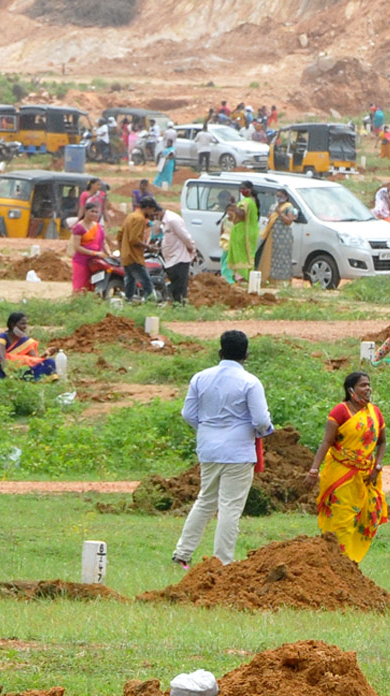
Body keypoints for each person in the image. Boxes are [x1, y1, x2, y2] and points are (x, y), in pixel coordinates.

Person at [172, 331, 273, 567]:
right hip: (238, 451)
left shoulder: (200, 378)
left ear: (220, 351)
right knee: (230, 507)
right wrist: (261, 430)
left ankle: (182, 553)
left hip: (208, 448)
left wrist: (208, 428)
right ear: (246, 355)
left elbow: (188, 414)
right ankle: (223, 562)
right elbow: (260, 420)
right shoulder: (250, 382)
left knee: (205, 500)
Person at [306, 372, 388, 563]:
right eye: (362, 385)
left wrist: (378, 466)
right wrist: (313, 470)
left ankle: (351, 563)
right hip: (340, 474)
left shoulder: (374, 413)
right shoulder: (340, 412)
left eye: (369, 385)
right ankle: (339, 562)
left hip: (366, 476)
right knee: (342, 520)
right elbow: (326, 442)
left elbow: (382, 442)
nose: (367, 389)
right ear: (351, 389)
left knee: (364, 517)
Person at [118, 196, 157, 302]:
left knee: (130, 283)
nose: (152, 213)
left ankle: (128, 303)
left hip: (126, 256)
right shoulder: (140, 219)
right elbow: (134, 240)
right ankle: (149, 307)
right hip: (134, 257)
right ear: (148, 208)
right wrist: (149, 247)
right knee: (147, 285)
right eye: (152, 210)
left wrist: (122, 251)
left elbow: (120, 235)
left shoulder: (131, 216)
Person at [0, 312, 56, 380]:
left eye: (26, 324)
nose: (25, 327)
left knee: (50, 362)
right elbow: (1, 357)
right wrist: (7, 371)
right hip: (4, 367)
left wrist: (45, 354)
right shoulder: (3, 337)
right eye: (22, 324)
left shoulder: (26, 341)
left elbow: (34, 360)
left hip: (22, 369)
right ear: (13, 325)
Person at [158, 201, 196, 304]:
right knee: (175, 288)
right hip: (172, 260)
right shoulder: (165, 221)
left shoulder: (172, 220)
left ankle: (180, 309)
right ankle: (177, 307)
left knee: (180, 289)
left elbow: (186, 237)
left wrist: (192, 250)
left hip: (179, 259)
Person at [255, 188, 296, 284]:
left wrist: (280, 213)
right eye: (277, 196)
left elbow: (289, 221)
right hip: (272, 237)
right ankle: (269, 279)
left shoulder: (288, 207)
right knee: (269, 258)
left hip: (283, 239)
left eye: (281, 196)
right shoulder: (274, 206)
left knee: (282, 259)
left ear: (286, 197)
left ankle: (282, 281)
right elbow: (270, 219)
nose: (278, 198)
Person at [68, 201, 107, 294]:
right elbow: (77, 247)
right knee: (80, 287)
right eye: (92, 211)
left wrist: (109, 254)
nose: (94, 214)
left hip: (95, 262)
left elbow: (104, 242)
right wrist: (94, 253)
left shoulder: (98, 226)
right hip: (82, 261)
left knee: (93, 286)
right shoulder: (79, 227)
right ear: (85, 211)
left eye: (96, 212)